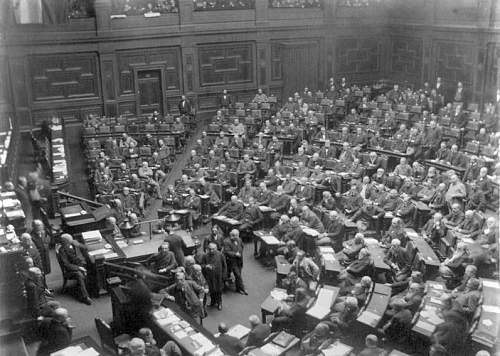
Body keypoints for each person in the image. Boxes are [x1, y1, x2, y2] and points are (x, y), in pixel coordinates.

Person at [57, 233, 92, 305]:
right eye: (70, 240)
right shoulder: (62, 250)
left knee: (93, 266)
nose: (72, 241)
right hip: (70, 270)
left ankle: (93, 288)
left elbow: (86, 248)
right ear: (65, 241)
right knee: (79, 275)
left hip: (81, 264)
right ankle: (85, 297)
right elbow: (66, 265)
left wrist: (78, 245)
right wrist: (79, 268)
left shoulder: (73, 243)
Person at [201, 242, 227, 310]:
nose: (211, 250)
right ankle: (213, 302)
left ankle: (219, 303)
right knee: (211, 290)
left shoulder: (220, 255)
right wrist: (206, 266)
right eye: (210, 249)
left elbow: (224, 265)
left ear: (216, 248)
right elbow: (202, 265)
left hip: (218, 276)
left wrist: (224, 276)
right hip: (209, 277)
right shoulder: (205, 256)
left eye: (213, 249)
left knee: (219, 290)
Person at [223, 229, 248, 295]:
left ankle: (238, 288)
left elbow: (242, 246)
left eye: (236, 235)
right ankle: (242, 288)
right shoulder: (226, 241)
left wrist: (240, 252)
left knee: (238, 275)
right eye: (233, 235)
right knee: (238, 275)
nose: (235, 237)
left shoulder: (239, 239)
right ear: (230, 234)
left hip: (239, 260)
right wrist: (235, 254)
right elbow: (226, 251)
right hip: (232, 261)